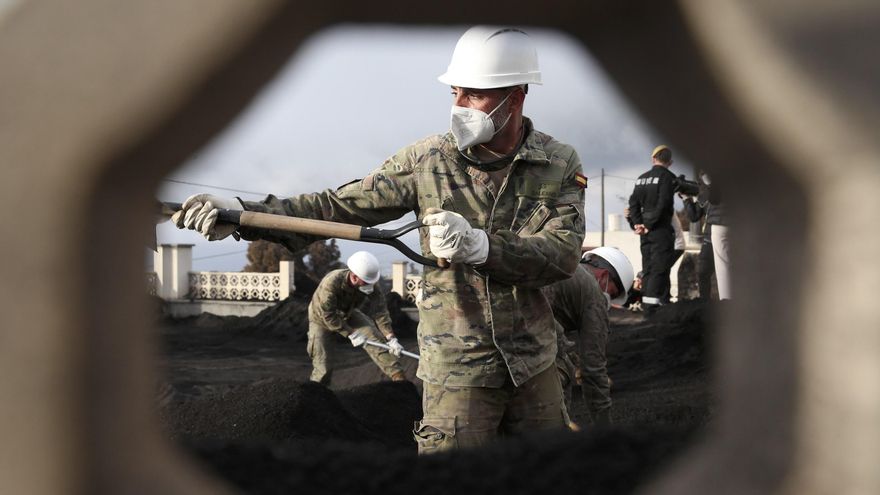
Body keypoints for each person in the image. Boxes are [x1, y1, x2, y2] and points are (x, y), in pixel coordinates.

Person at [172, 25, 587, 454]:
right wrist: (244, 215)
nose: (459, 106)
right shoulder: (427, 161)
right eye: (455, 93)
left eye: (474, 95)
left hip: (536, 364)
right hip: (457, 369)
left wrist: (481, 247)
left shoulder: (558, 164)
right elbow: (333, 208)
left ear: (515, 96)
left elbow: (563, 255)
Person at [545, 247, 634, 427]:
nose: (609, 299)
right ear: (603, 275)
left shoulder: (565, 267)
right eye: (613, 293)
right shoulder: (594, 295)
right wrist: (604, 426)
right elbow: (593, 369)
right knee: (562, 369)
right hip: (529, 327)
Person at [306, 251, 407, 385]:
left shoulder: (370, 282)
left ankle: (399, 379)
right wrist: (351, 333)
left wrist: (391, 338)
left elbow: (380, 311)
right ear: (354, 277)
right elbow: (329, 315)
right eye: (365, 282)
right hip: (321, 319)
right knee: (323, 363)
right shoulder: (331, 283)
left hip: (348, 313)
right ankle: (316, 393)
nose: (369, 285)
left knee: (374, 338)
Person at [628, 144, 677, 313]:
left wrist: (638, 224)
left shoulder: (642, 178)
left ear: (653, 159)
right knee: (659, 269)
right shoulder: (668, 177)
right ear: (670, 162)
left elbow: (633, 203)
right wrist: (649, 225)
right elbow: (664, 204)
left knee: (647, 268)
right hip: (660, 230)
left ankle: (648, 306)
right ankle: (652, 308)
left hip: (644, 233)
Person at [683, 171, 730, 299]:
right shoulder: (704, 196)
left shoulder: (712, 192)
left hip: (717, 232)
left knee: (724, 270)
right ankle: (705, 304)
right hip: (709, 238)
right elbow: (694, 216)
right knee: (703, 272)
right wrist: (687, 200)